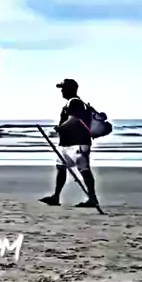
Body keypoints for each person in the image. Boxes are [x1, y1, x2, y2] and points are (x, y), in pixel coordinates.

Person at [39, 79, 99, 208]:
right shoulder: (72, 102)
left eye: (63, 88)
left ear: (70, 89)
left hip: (77, 143)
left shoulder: (75, 102)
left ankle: (92, 198)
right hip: (67, 143)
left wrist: (60, 128)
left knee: (84, 170)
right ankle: (56, 196)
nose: (61, 91)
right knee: (61, 168)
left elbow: (74, 119)